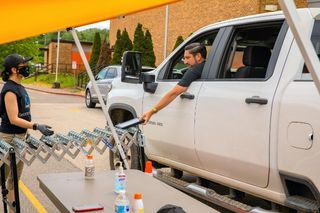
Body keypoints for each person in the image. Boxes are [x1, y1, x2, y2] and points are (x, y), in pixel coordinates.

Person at [0, 53, 54, 207]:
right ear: (14, 70)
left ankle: (12, 211)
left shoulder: (20, 87)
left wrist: (28, 134)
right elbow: (13, 119)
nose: (26, 67)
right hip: (8, 138)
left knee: (13, 180)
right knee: (2, 178)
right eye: (23, 65)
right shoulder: (10, 90)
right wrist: (36, 126)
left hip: (20, 136)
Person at [141, 42, 207, 124]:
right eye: (184, 59)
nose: (185, 62)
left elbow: (174, 93)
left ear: (198, 56)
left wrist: (151, 112)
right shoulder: (206, 67)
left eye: (187, 58)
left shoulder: (194, 70)